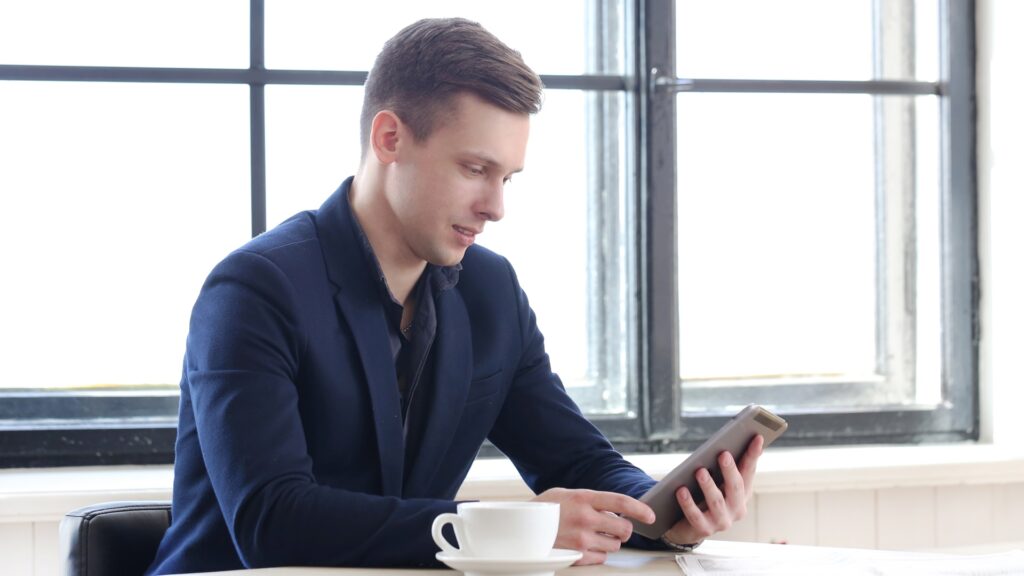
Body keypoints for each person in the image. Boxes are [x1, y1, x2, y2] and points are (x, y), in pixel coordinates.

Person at [146, 17, 763, 575]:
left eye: (507, 178)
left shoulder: (492, 291)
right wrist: (505, 530)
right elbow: (272, 522)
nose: (495, 207)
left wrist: (669, 509)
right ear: (390, 138)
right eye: (474, 169)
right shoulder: (254, 290)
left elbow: (578, 463)